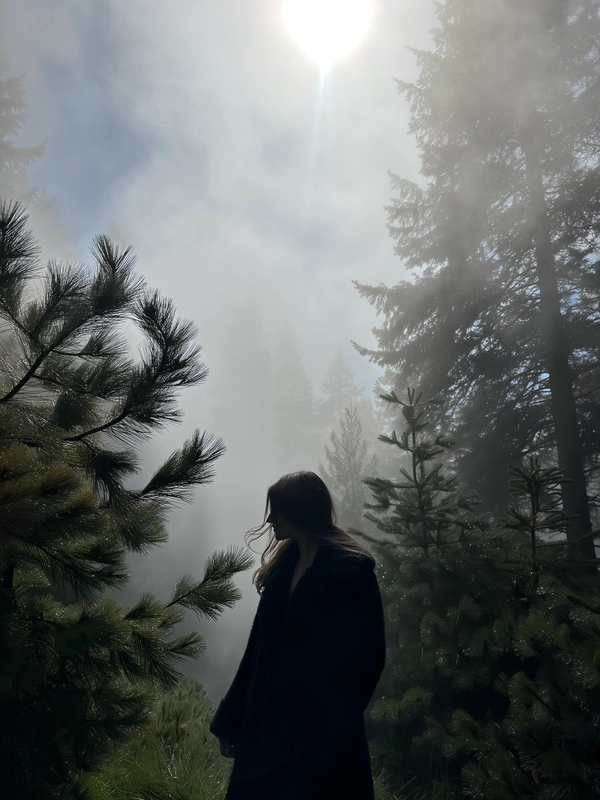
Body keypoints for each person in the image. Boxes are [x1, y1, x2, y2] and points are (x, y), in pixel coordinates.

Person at [209, 471, 387, 800]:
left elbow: (370, 657)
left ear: (298, 510)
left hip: (324, 739)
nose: (270, 519)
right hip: (266, 731)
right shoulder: (282, 570)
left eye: (276, 510)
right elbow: (256, 653)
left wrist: (332, 722)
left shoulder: (352, 572)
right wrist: (231, 719)